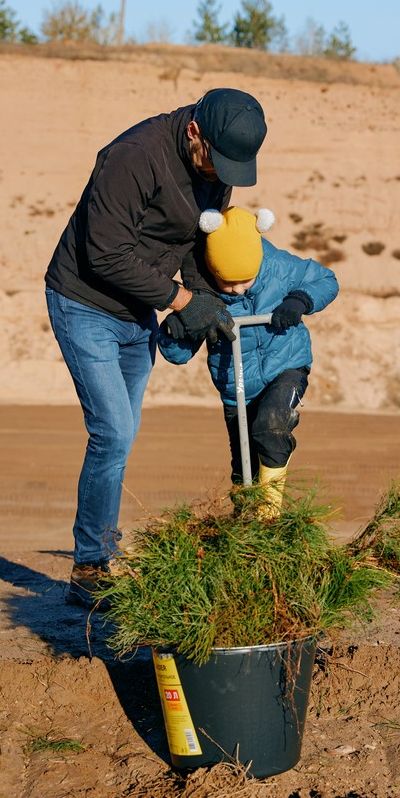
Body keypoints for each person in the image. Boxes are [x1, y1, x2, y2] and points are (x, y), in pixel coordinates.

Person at [44, 89, 268, 609]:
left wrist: (202, 306)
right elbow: (105, 254)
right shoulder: (134, 156)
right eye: (219, 160)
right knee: (113, 432)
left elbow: (195, 245)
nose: (223, 175)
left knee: (121, 437)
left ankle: (101, 548)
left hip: (137, 311)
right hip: (83, 302)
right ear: (195, 133)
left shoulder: (219, 171)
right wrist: (181, 300)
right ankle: (91, 565)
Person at [158, 205, 339, 516]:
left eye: (246, 281)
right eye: (228, 283)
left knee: (271, 425)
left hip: (286, 366)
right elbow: (178, 355)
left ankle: (270, 515)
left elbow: (326, 279)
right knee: (244, 472)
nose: (238, 289)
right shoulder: (202, 293)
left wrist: (299, 300)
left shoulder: (278, 267)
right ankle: (247, 532)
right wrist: (178, 328)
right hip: (236, 389)